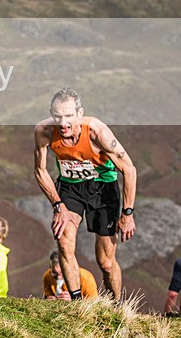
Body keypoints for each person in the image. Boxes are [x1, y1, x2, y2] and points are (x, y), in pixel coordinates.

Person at [33, 87, 137, 301]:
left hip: (103, 188)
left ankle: (116, 306)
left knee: (106, 262)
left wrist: (127, 214)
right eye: (57, 116)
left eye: (69, 116)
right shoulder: (44, 131)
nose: (63, 123)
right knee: (63, 241)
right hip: (70, 188)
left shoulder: (97, 132)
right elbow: (40, 171)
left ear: (80, 114)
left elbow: (129, 169)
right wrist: (58, 205)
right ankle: (77, 304)